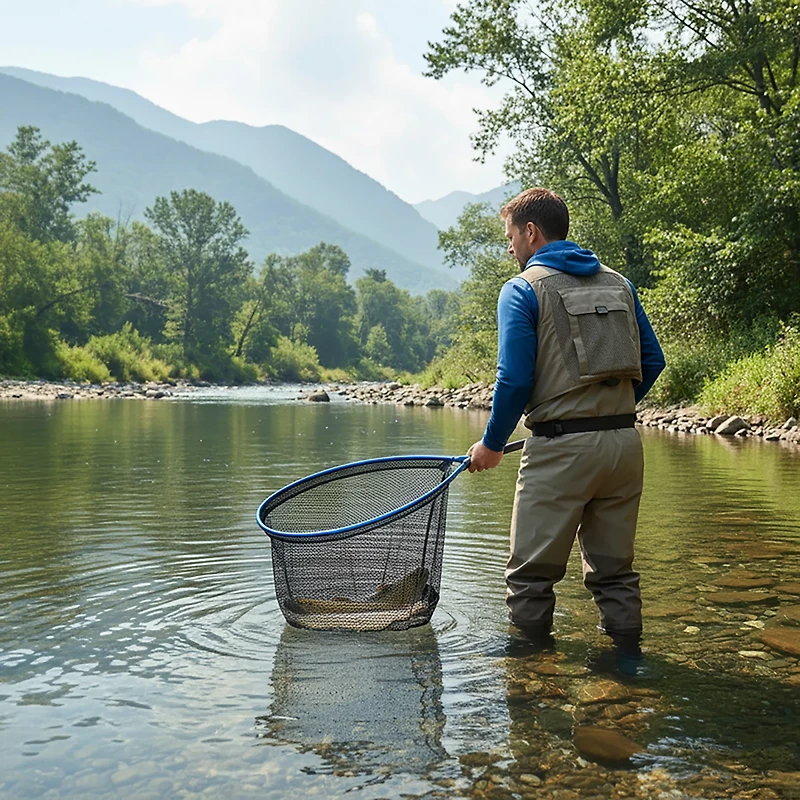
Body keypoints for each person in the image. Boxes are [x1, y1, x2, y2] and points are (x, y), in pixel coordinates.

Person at [467, 187, 665, 672]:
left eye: (510, 236)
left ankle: (532, 676)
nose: (509, 246)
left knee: (530, 577)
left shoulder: (522, 289)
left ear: (530, 232)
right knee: (615, 573)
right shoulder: (621, 283)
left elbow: (513, 379)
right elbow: (654, 362)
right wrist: (607, 411)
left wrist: (492, 444)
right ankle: (626, 670)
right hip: (624, 446)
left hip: (559, 452)